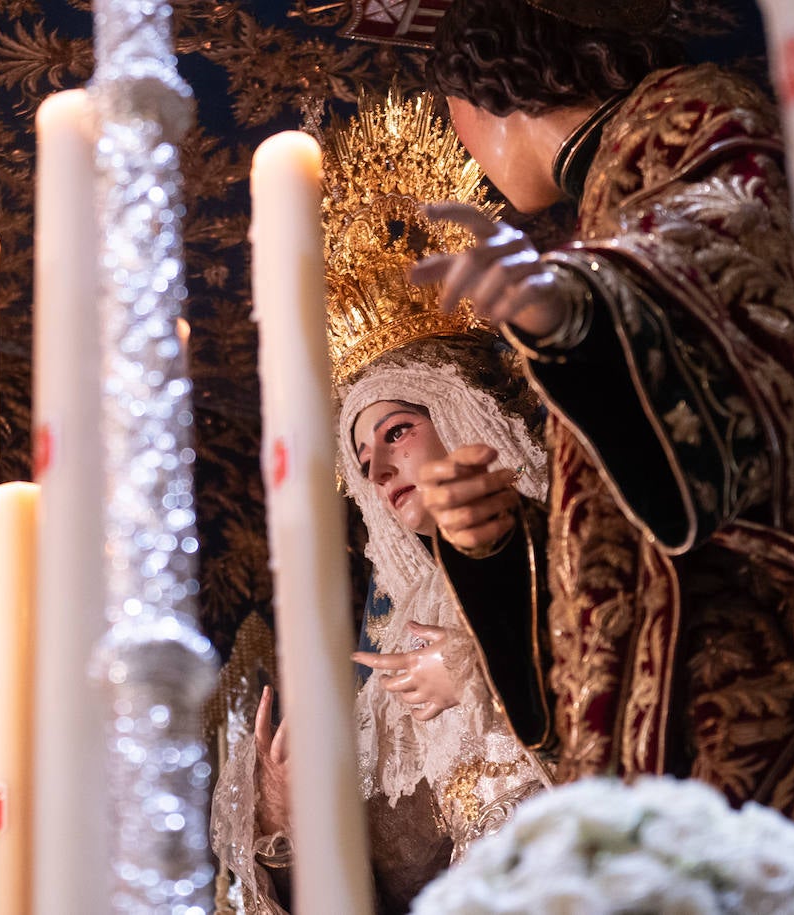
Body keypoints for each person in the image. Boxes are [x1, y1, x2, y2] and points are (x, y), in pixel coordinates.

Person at [407, 0, 794, 909]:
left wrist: (584, 315)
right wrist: (493, 545)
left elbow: (725, 258)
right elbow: (621, 557)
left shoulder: (689, 115)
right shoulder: (602, 210)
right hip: (685, 736)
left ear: (471, 101)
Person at [210, 93, 555, 914]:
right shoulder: (382, 688)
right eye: (362, 461)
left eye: (399, 431)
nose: (379, 467)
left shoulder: (579, 546)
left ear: (466, 419)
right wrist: (288, 823)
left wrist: (484, 659)